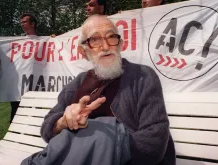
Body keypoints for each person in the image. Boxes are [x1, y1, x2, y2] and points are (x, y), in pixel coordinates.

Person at [23, 15, 175, 165]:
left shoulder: (143, 76)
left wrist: (97, 138)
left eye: (111, 37)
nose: (106, 46)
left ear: (120, 44)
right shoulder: (77, 84)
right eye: (95, 40)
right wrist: (63, 122)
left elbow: (154, 143)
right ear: (84, 51)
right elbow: (47, 130)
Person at [10, 13, 38, 123]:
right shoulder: (18, 42)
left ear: (33, 23)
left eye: (25, 22)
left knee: (34, 112)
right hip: (18, 84)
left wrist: (55, 40)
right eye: (21, 22)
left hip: (35, 83)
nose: (22, 24)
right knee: (16, 112)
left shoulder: (44, 40)